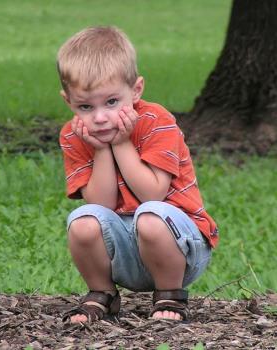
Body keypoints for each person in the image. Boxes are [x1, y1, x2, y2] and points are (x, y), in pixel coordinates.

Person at [57, 26, 218, 324]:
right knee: (82, 221)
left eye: (112, 102)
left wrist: (120, 142)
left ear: (136, 90)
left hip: (181, 247)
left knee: (150, 213)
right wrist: (102, 150)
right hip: (125, 251)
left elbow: (153, 193)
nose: (100, 117)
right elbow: (101, 206)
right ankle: (103, 294)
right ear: (68, 101)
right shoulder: (75, 135)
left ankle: (170, 293)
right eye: (85, 106)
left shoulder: (157, 120)